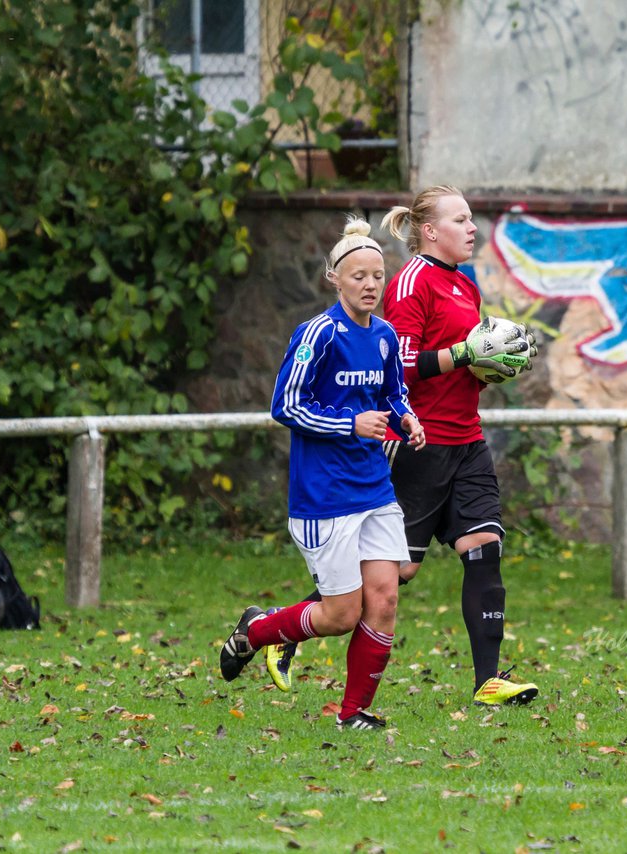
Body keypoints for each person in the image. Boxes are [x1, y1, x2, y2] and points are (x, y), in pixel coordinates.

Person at [266, 187, 540, 707]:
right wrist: (463, 354)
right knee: (396, 570)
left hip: (467, 439)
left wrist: (491, 366)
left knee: (484, 548)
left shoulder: (466, 285)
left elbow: (463, 365)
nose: (473, 228)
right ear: (430, 231)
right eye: (461, 220)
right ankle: (289, 633)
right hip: (420, 443)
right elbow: (405, 368)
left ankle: (488, 680)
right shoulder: (413, 281)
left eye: (472, 219)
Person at [219, 217, 425, 730]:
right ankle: (257, 630)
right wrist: (348, 423)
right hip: (324, 494)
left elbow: (391, 393)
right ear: (335, 278)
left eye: (378, 275)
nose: (370, 285)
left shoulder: (384, 337)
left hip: (374, 488)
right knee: (339, 615)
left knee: (385, 596)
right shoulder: (318, 333)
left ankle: (353, 713)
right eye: (358, 276)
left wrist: (406, 417)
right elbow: (285, 405)